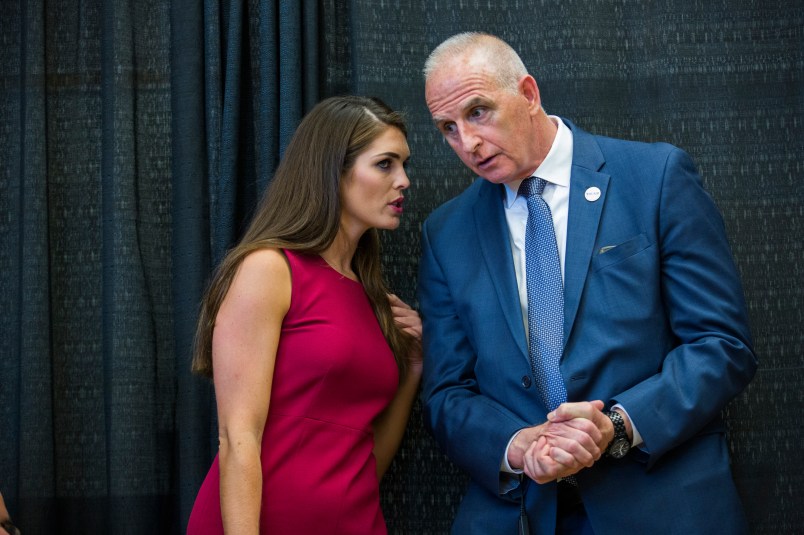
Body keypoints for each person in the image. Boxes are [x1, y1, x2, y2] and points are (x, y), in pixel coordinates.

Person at [417, 32, 757, 534]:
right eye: (448, 127)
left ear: (529, 94)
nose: (467, 143)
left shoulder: (655, 176)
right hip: (523, 512)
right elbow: (447, 392)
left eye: (478, 112)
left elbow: (721, 344)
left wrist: (615, 426)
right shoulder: (446, 231)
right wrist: (517, 445)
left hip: (659, 500)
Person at [186, 95, 422, 534]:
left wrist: (412, 367)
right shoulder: (269, 269)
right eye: (386, 164)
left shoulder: (371, 296)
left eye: (405, 165)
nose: (404, 180)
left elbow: (363, 457)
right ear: (333, 170)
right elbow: (238, 440)